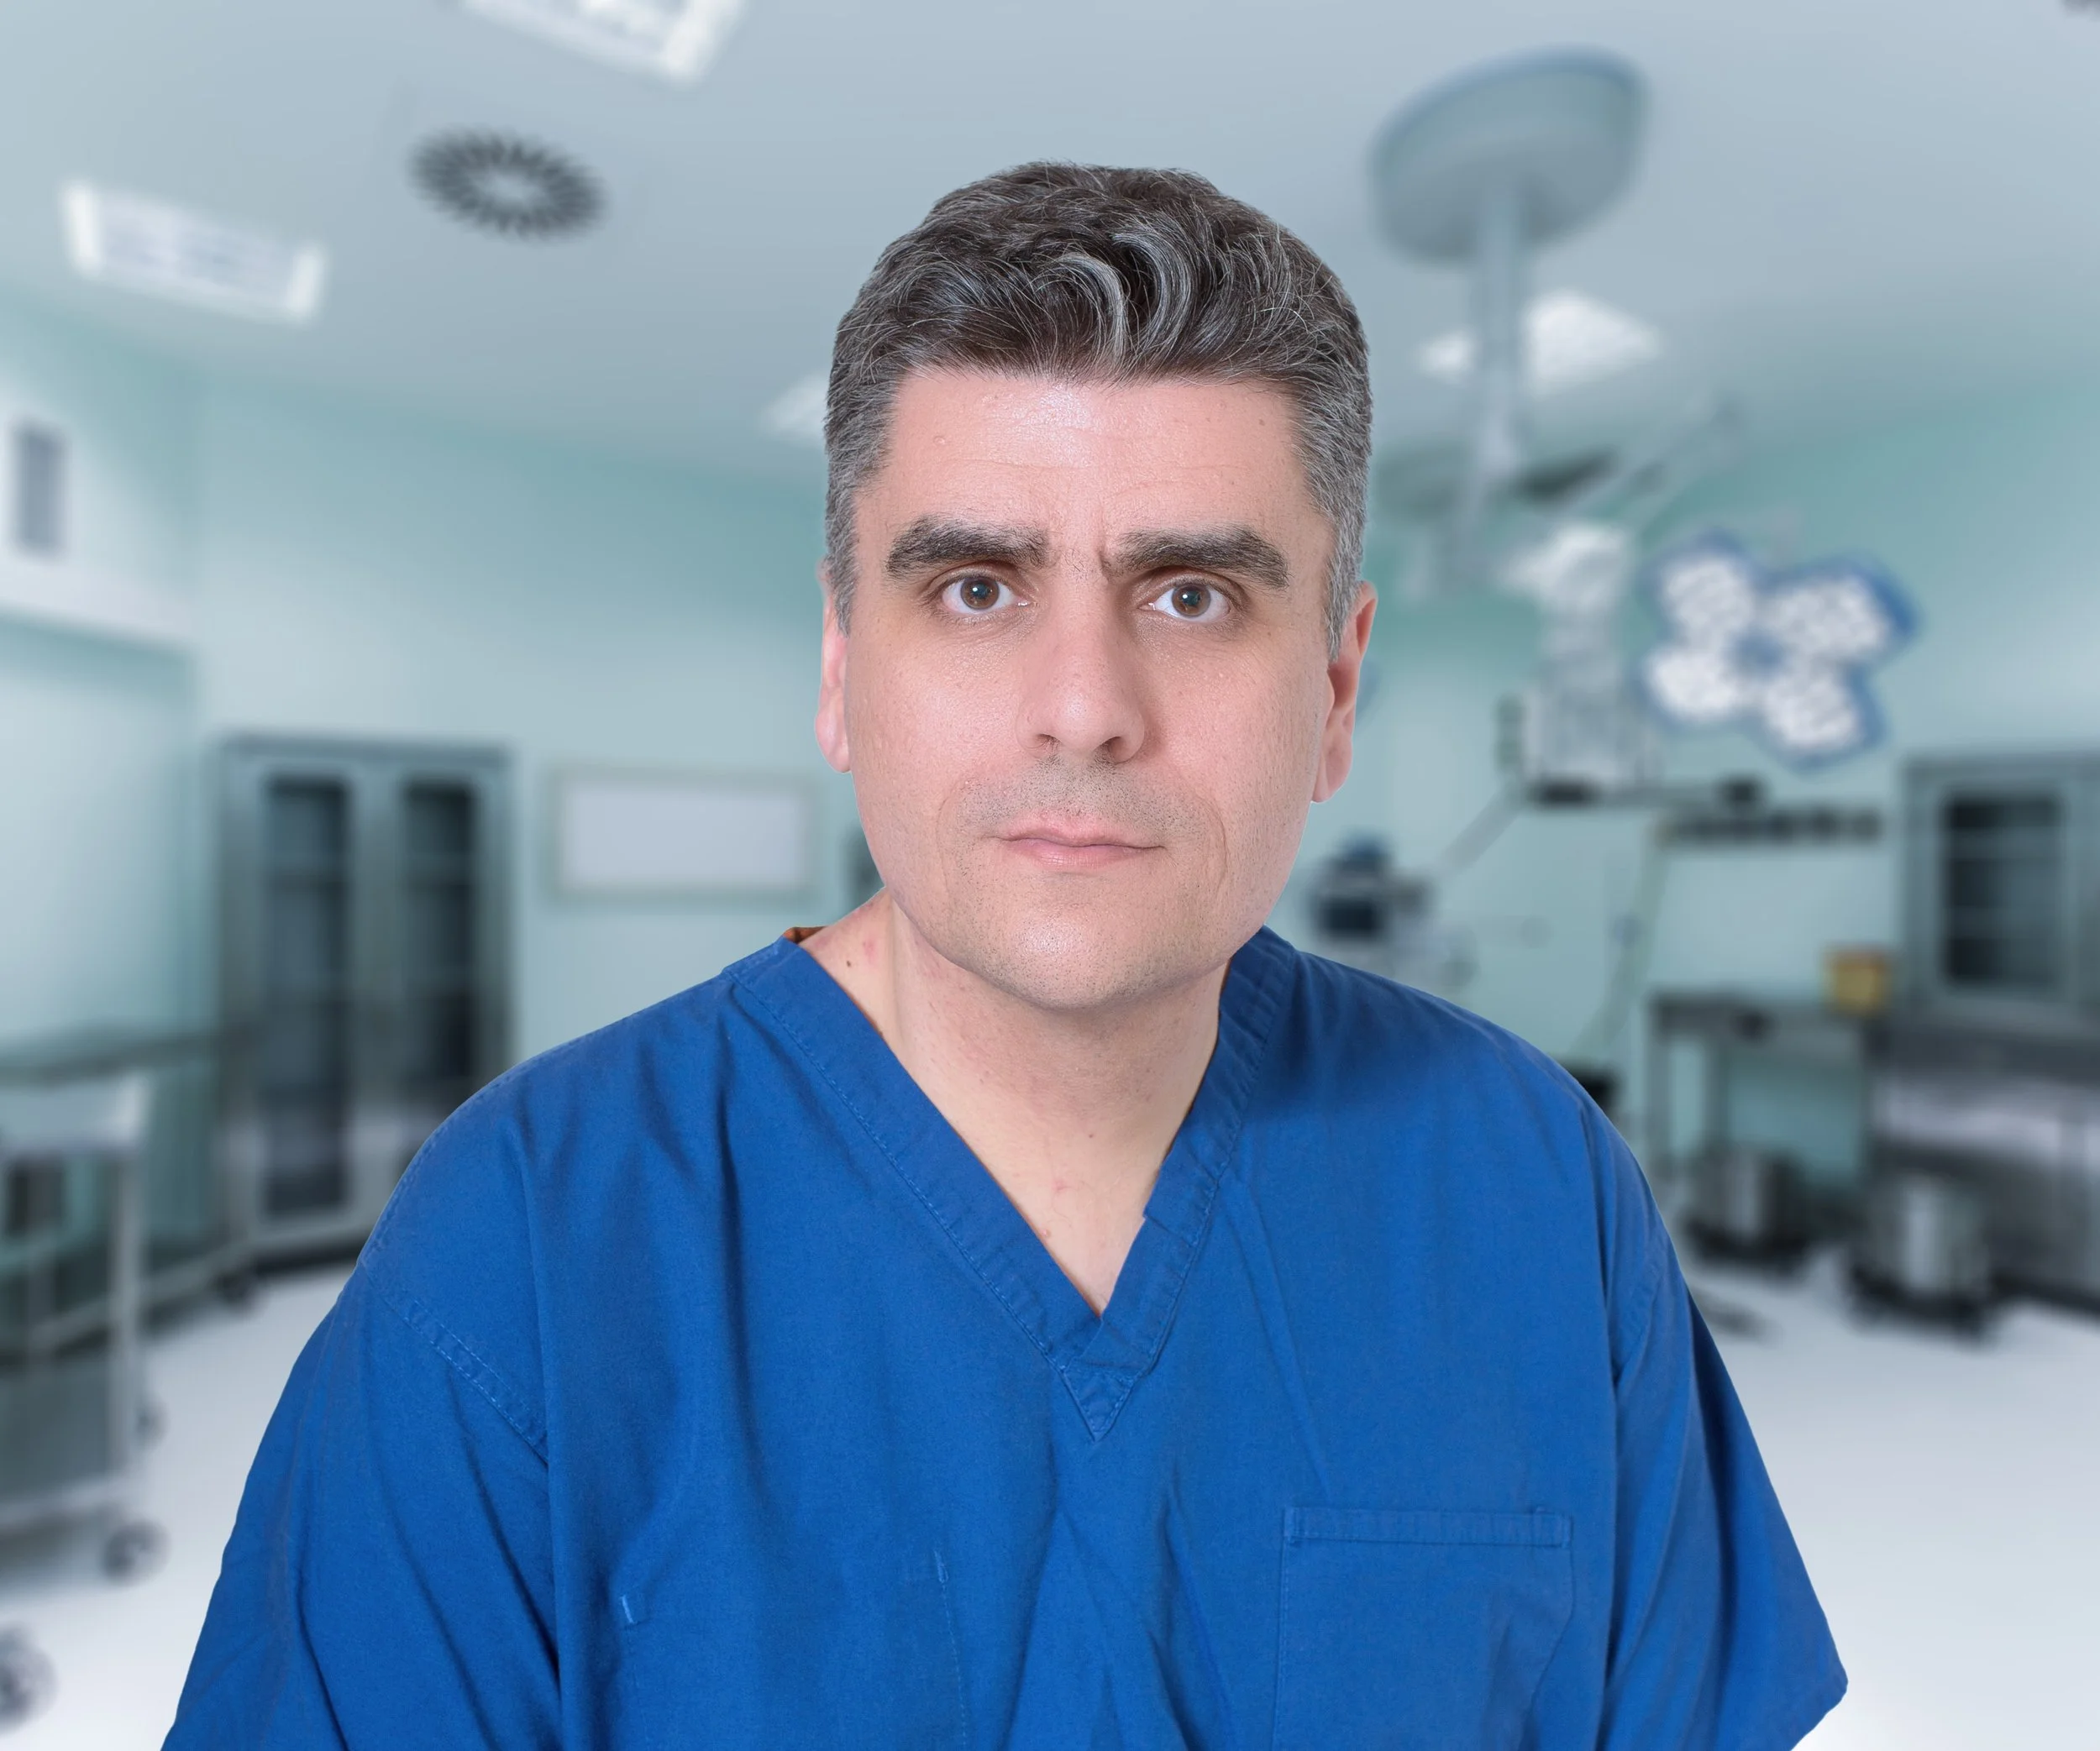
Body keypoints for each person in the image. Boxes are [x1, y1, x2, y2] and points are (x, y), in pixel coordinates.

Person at [168, 164, 1843, 1749]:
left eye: (1189, 595)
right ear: (840, 670)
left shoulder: (1529, 1187)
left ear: (1333, 691)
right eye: (974, 588)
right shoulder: (529, 1243)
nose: (1082, 708)